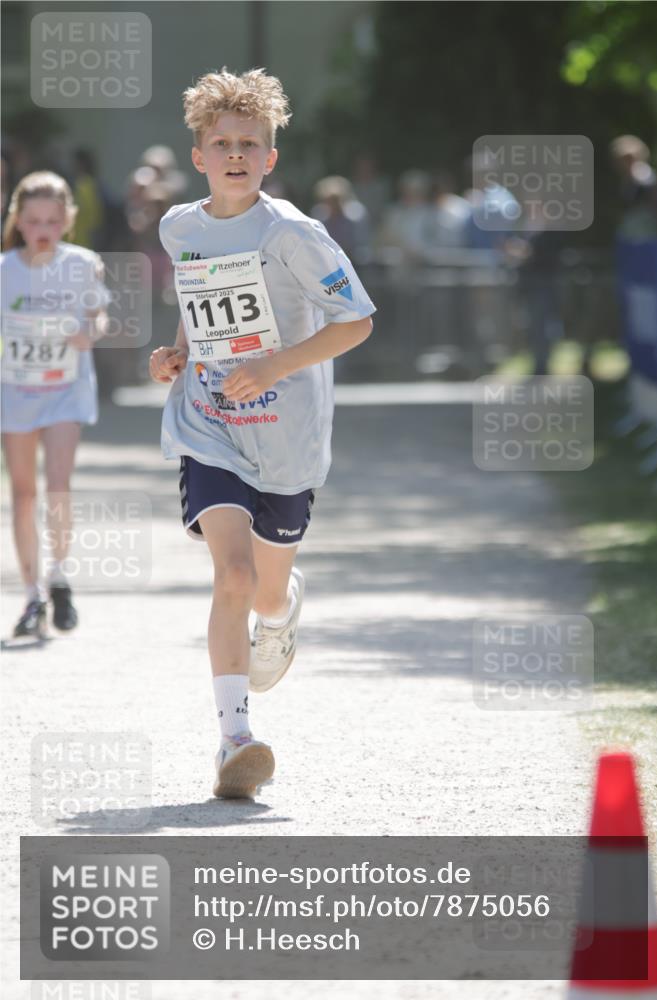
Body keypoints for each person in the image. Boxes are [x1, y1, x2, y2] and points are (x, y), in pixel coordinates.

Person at [149, 68, 375, 799]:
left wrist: (275, 364)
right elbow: (199, 298)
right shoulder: (179, 228)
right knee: (234, 576)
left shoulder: (294, 235)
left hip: (288, 438)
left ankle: (280, 616)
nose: (236, 154)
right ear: (199, 156)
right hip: (210, 423)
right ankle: (235, 739)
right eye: (222, 144)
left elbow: (357, 322)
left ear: (270, 157)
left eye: (250, 144)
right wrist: (177, 350)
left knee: (268, 593)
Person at [1, 171, 111, 637]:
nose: (42, 229)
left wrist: (90, 333)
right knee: (23, 493)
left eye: (52, 220)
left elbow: (99, 316)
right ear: (18, 221)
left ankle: (59, 575)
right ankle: (32, 595)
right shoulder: (5, 270)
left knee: (58, 486)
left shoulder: (82, 264)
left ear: (67, 220)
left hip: (65, 388)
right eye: (33, 221)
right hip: (16, 392)